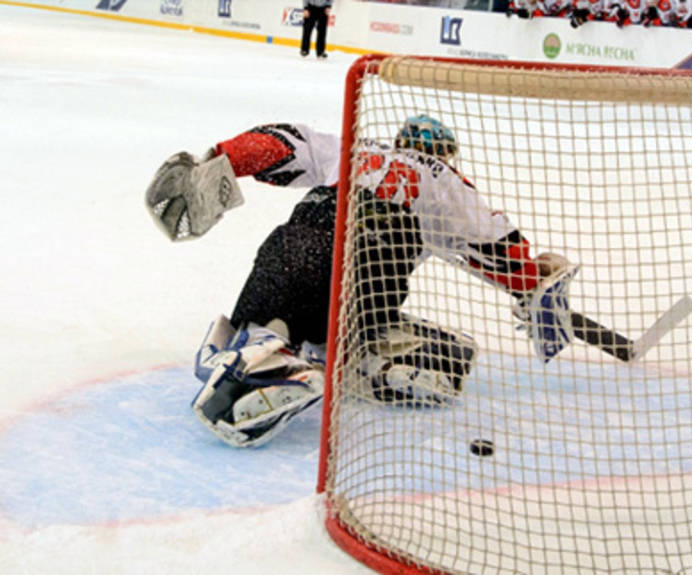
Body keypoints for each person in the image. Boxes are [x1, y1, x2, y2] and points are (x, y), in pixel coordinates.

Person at [145, 116, 572, 448]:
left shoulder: (349, 149)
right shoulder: (446, 181)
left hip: (286, 248)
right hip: (364, 269)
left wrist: (222, 157)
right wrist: (535, 280)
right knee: (452, 358)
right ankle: (341, 361)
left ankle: (254, 345)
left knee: (279, 310)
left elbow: (281, 142)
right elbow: (500, 249)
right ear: (445, 153)